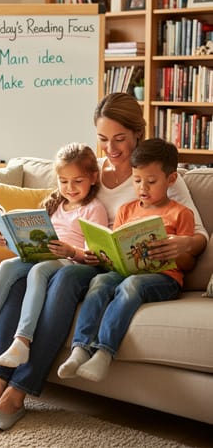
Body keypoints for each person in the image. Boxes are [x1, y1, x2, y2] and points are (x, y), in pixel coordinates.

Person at [0, 92, 207, 433]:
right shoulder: (89, 171)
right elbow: (57, 213)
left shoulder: (151, 173)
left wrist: (185, 243)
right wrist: (15, 238)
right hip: (82, 258)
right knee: (19, 280)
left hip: (105, 270)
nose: (112, 148)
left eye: (120, 139)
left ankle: (18, 393)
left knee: (61, 281)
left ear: (137, 133)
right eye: (103, 139)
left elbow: (200, 237)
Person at [57, 138, 194, 382]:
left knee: (130, 286)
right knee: (100, 282)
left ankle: (104, 353)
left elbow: (188, 263)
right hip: (125, 271)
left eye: (151, 182)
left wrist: (174, 253)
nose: (143, 187)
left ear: (171, 180)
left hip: (164, 278)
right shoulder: (126, 210)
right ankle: (80, 348)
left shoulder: (181, 213)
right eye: (137, 180)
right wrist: (103, 254)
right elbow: (115, 249)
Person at [0, 143, 108, 369]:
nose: (70, 187)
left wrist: (71, 251)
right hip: (41, 256)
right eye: (63, 181)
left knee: (38, 271)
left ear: (93, 178)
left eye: (78, 181)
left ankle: (22, 341)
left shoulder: (94, 209)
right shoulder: (55, 204)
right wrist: (10, 241)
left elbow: (95, 255)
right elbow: (33, 244)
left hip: (66, 262)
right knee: (7, 266)